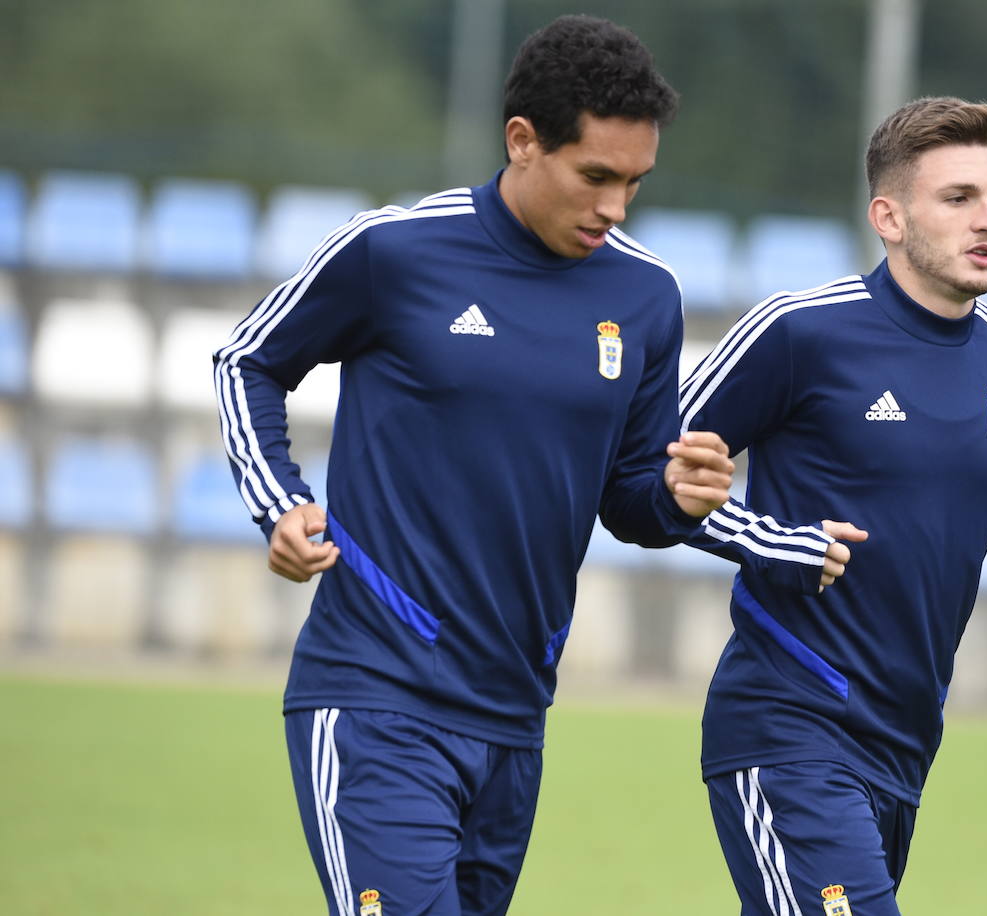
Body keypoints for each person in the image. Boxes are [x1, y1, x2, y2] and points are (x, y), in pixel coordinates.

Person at [212, 16, 734, 915]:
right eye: (596, 177)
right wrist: (280, 505)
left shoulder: (646, 297)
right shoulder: (394, 251)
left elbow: (632, 502)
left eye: (635, 183)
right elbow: (246, 361)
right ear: (522, 142)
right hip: (376, 697)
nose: (615, 207)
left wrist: (681, 499)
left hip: (514, 719)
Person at [679, 96, 987, 915]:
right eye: (959, 199)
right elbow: (640, 472)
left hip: (903, 746)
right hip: (787, 728)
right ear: (890, 216)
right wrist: (771, 541)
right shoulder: (801, 331)